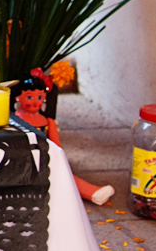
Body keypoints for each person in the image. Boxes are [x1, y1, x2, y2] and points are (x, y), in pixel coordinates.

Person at [12, 73, 116, 206]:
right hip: (23, 158)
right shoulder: (15, 119)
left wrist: (59, 158)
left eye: (39, 97)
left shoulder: (47, 121)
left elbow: (56, 144)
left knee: (62, 174)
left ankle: (93, 193)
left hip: (43, 156)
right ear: (17, 97)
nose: (35, 101)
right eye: (29, 97)